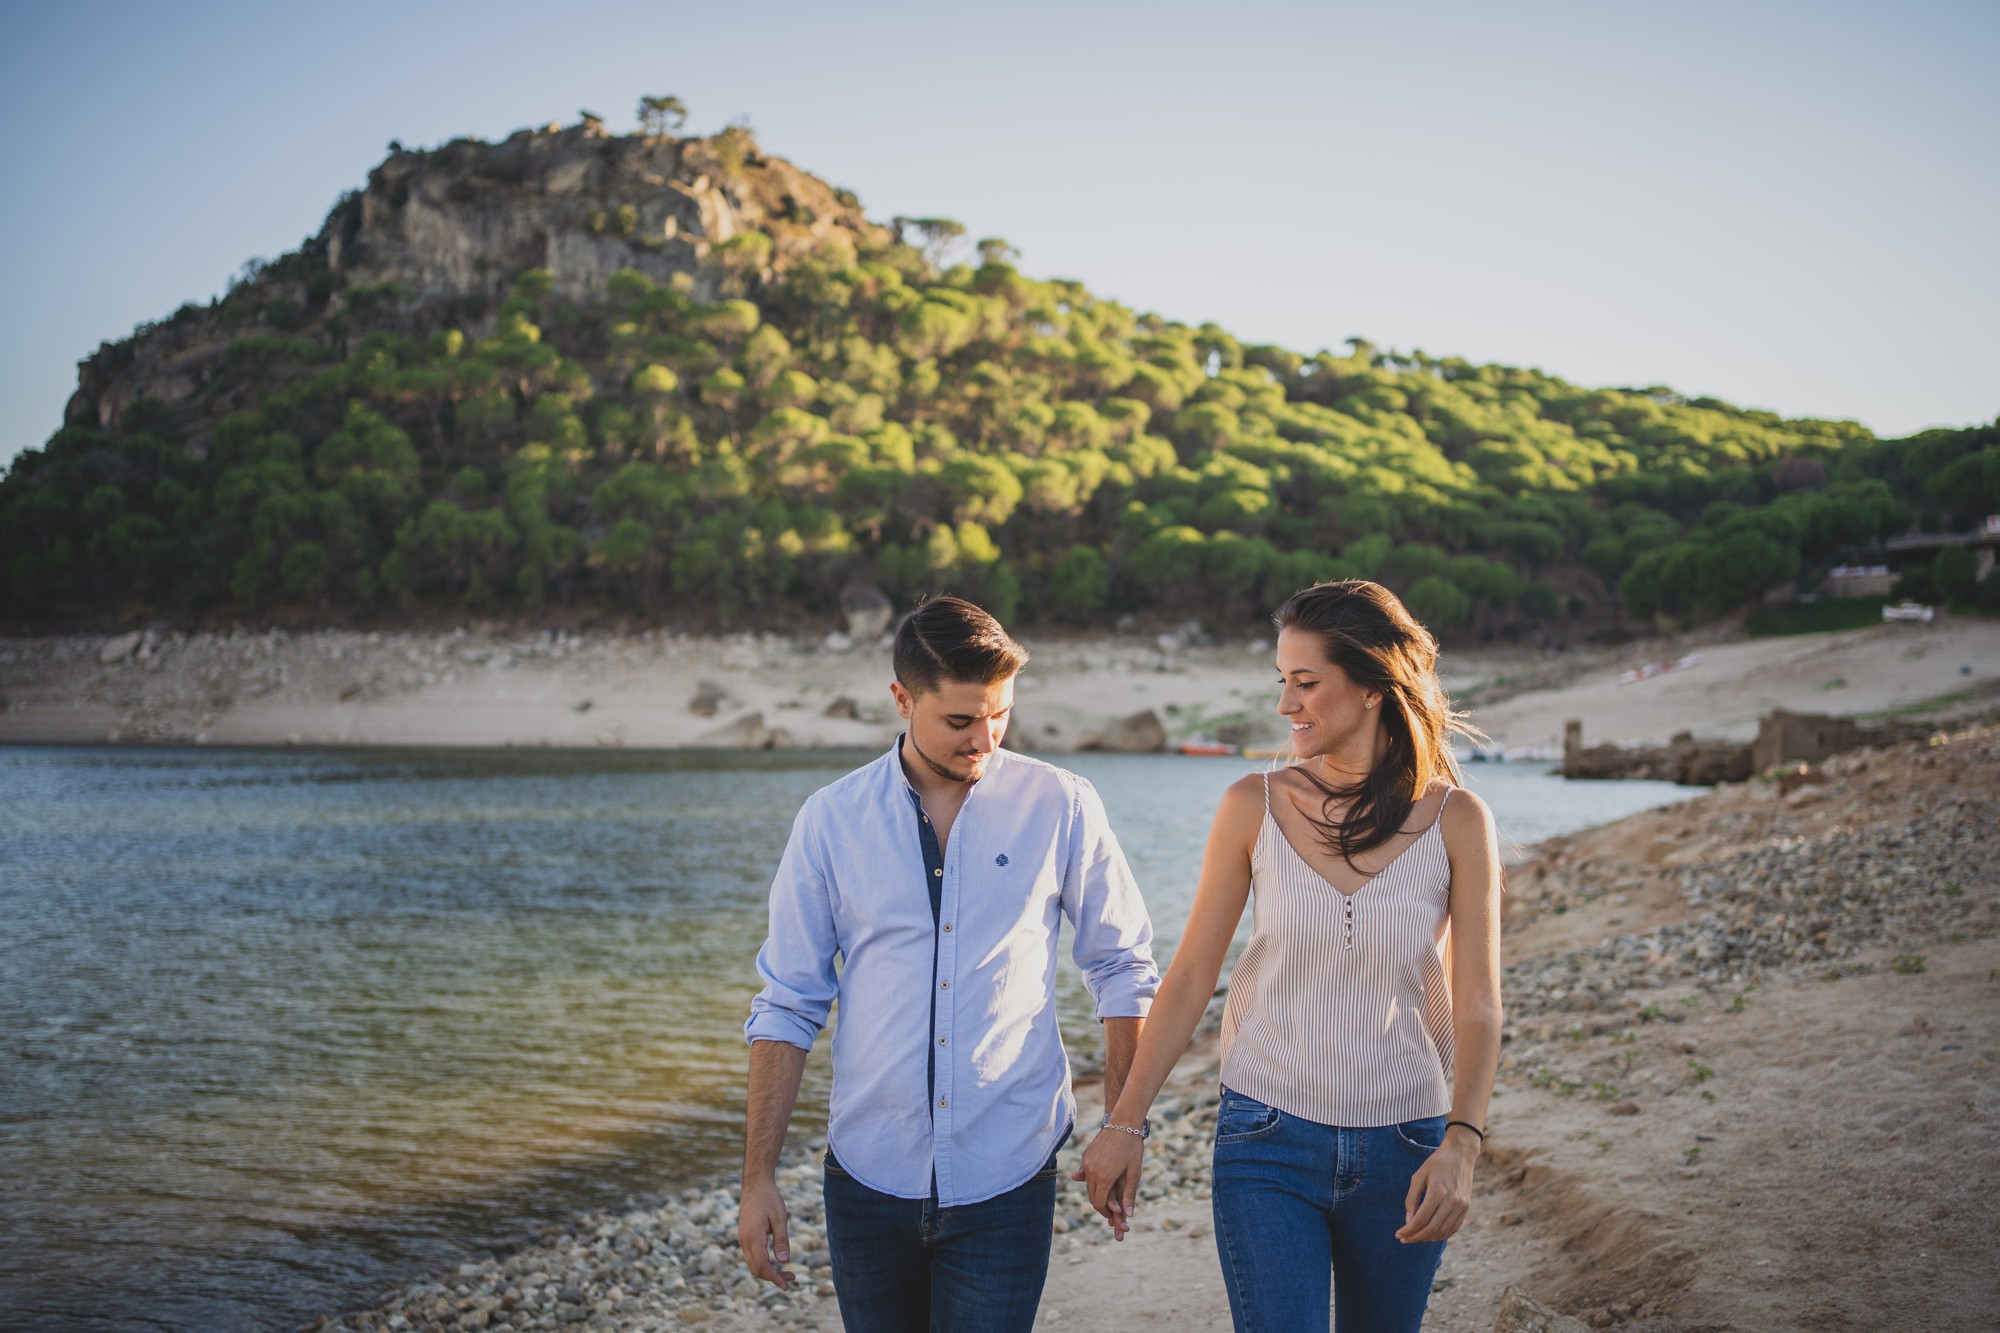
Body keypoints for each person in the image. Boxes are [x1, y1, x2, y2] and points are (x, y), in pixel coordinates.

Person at [1080, 580, 1503, 1333]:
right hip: (1266, 1138)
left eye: (1305, 683)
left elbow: (1477, 1004)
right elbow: (1187, 980)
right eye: (1283, 682)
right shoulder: (1253, 804)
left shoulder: (1457, 820)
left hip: (1407, 1141)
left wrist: (1462, 1145)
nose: (1286, 705)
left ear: (1374, 685)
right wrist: (1125, 1121)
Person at [738, 595, 1160, 1333]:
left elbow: (1122, 966)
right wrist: (757, 1178)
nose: (985, 738)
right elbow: (789, 1002)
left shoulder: (1062, 804)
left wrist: (1124, 1124)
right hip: (867, 1178)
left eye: (1000, 714)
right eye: (961, 721)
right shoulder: (831, 820)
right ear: (902, 699)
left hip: (1008, 1174)